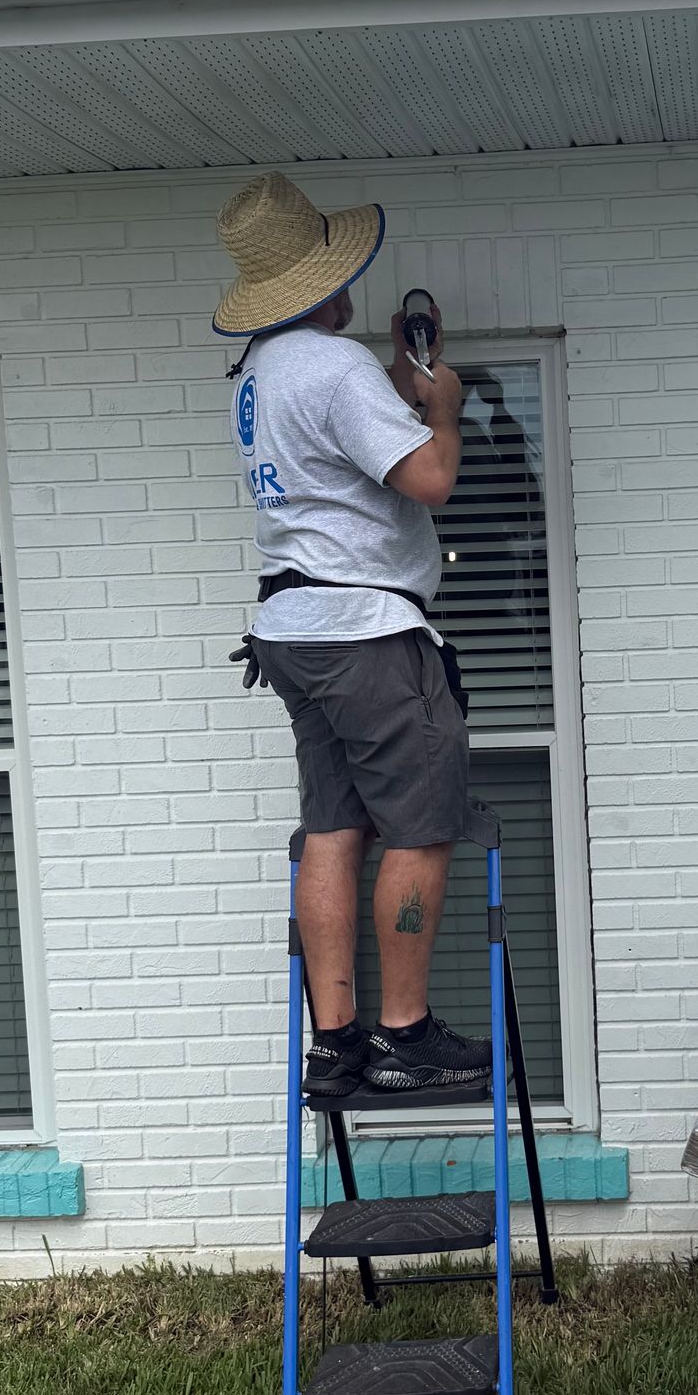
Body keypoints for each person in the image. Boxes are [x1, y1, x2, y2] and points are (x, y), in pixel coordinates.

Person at [214, 170, 490, 1100]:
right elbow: (430, 481)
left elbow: (340, 478)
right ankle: (403, 1036)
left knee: (333, 826)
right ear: (324, 283)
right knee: (420, 824)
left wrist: (399, 409)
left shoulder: (256, 374)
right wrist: (441, 408)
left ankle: (334, 1043)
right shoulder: (333, 368)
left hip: (293, 628)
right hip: (364, 629)